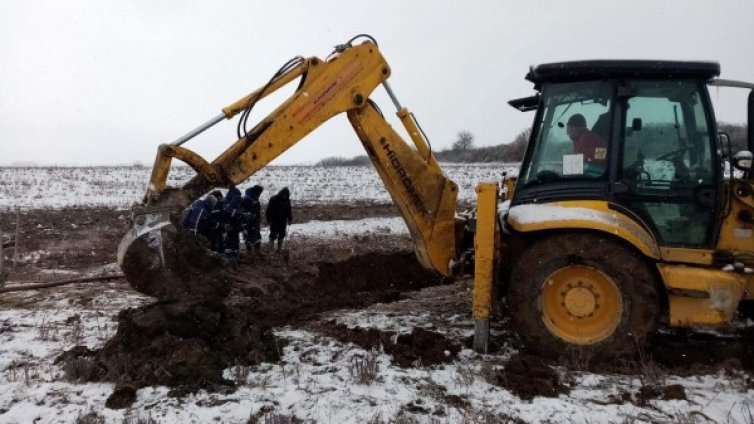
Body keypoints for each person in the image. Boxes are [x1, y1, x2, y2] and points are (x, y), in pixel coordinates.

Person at [265, 187, 292, 252]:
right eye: (284, 195)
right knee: (273, 234)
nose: (285, 196)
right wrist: (268, 219)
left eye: (286, 195)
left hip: (283, 220)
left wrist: (290, 218)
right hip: (274, 220)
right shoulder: (274, 199)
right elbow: (268, 210)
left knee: (282, 234)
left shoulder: (287, 200)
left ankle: (279, 249)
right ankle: (271, 249)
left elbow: (289, 210)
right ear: (282, 193)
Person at [241, 185, 264, 256]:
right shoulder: (248, 198)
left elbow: (257, 210)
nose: (260, 194)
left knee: (257, 236)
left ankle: (257, 251)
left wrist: (258, 218)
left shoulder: (254, 197)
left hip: (255, 221)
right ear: (256, 191)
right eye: (259, 192)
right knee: (249, 237)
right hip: (248, 221)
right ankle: (249, 253)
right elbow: (246, 211)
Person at [223, 187, 243, 260]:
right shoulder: (235, 199)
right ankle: (231, 257)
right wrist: (239, 214)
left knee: (234, 240)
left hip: (234, 224)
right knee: (231, 241)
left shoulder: (228, 200)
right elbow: (230, 212)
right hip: (231, 224)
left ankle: (234, 257)